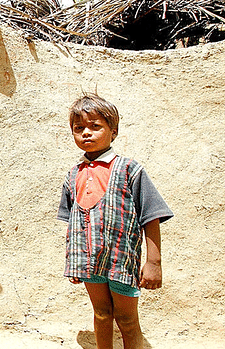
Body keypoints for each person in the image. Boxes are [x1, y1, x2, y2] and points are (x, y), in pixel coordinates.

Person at [57, 94, 174, 349]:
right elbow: (72, 224)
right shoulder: (72, 175)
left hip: (121, 261)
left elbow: (151, 216)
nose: (86, 133)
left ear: (114, 131)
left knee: (127, 319)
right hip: (90, 263)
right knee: (101, 313)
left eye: (95, 126)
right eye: (79, 129)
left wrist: (153, 263)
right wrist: (74, 264)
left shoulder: (130, 169)